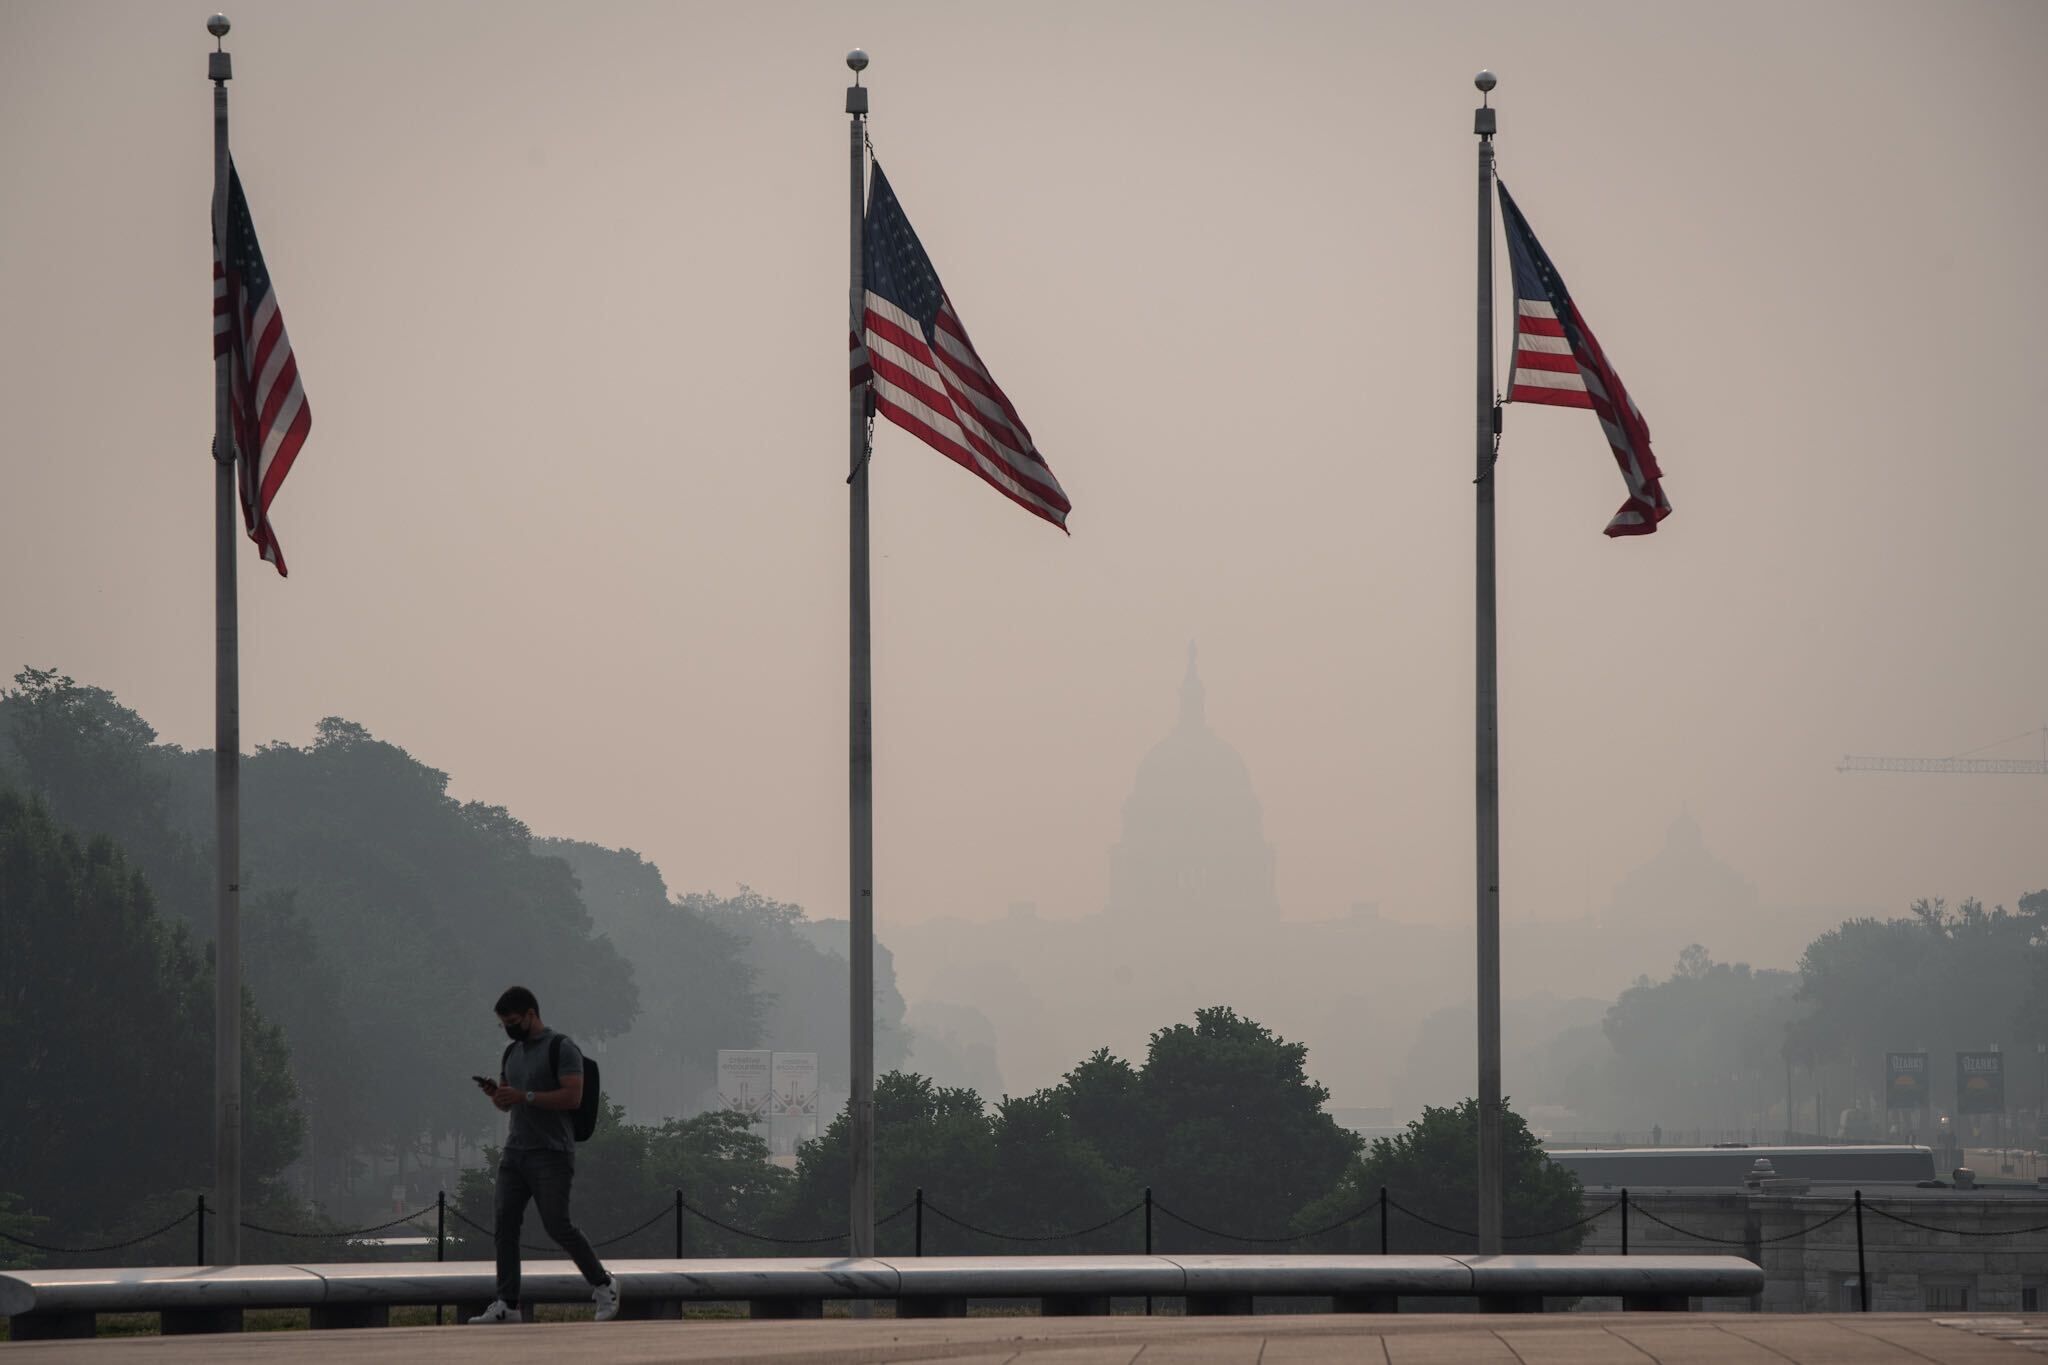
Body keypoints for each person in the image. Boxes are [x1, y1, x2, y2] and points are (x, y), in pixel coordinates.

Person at [467, 986, 620, 1324]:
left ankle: (604, 1284)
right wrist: (498, 1095)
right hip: (515, 1151)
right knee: (505, 1225)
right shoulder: (511, 1053)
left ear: (531, 1014)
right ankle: (507, 1303)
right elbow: (509, 1102)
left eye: (513, 1021)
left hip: (551, 1153)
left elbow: (572, 1097)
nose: (509, 1028)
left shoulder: (561, 1048)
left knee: (557, 1225)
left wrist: (525, 1096)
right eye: (503, 1024)